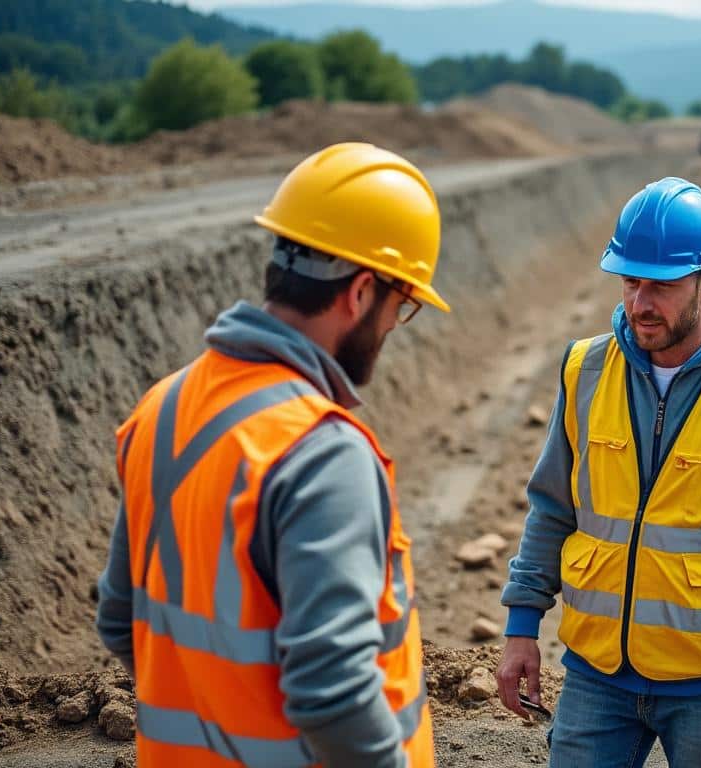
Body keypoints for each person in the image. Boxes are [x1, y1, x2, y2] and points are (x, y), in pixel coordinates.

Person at [95, 142, 448, 767]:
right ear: (362, 292)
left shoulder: (162, 409)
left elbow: (122, 620)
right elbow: (332, 691)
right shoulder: (321, 452)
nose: (395, 325)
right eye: (403, 306)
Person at [496, 177, 701, 767]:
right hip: (597, 678)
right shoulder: (585, 370)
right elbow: (552, 508)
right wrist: (523, 623)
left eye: (663, 285)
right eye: (630, 281)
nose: (641, 302)